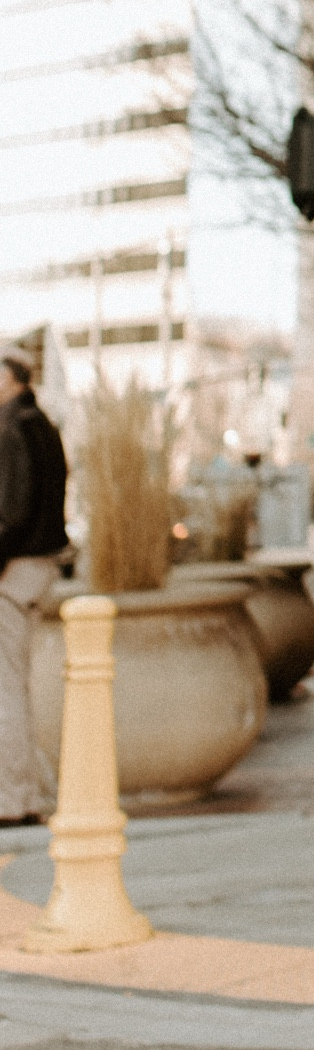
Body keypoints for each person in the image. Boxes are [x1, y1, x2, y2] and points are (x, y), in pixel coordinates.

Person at [0, 347, 68, 828]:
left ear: (11, 377)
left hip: (15, 570)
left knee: (5, 688)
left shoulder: (9, 427)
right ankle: (27, 793)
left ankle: (12, 798)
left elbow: (13, 510)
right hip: (39, 566)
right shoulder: (41, 423)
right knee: (14, 682)